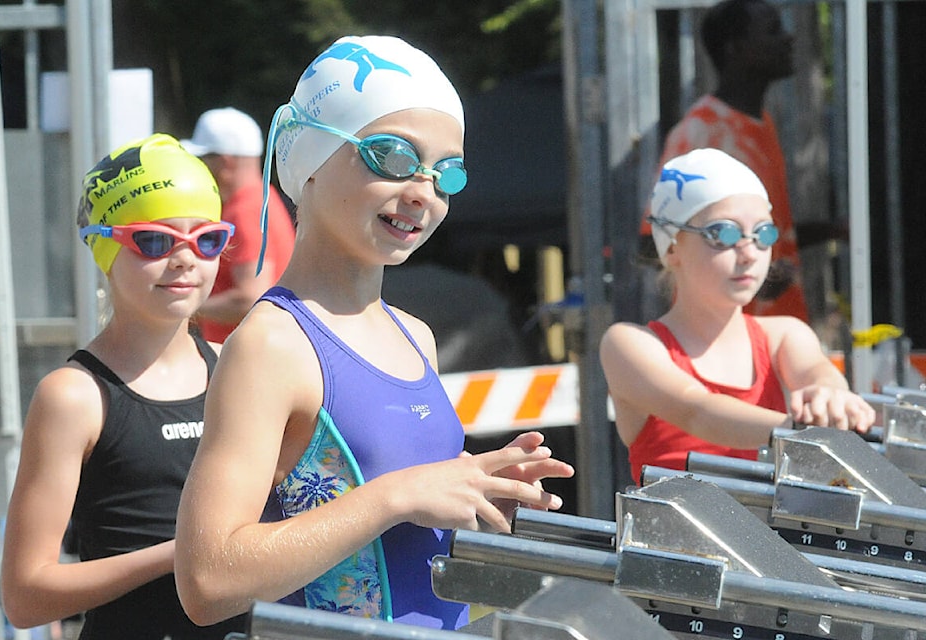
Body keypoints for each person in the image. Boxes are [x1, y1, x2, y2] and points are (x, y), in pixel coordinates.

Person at [174, 35, 574, 631]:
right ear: (307, 156)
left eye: (448, 173)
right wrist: (399, 495)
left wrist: (474, 486)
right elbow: (208, 580)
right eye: (392, 157)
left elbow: (395, 526)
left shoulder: (415, 336)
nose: (423, 192)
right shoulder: (272, 345)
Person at [0, 134, 246, 639]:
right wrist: (183, 555)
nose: (184, 259)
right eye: (155, 241)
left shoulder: (235, 372)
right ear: (106, 247)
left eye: (207, 239)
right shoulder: (74, 396)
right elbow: (25, 596)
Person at [602, 148, 875, 483]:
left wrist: (831, 395)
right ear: (673, 248)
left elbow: (816, 372)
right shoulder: (630, 344)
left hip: (769, 536)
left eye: (764, 234)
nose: (749, 253)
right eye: (723, 234)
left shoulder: (784, 335)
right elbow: (697, 411)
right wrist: (803, 435)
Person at [641, 0, 809, 322]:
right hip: (717, 339)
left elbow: (762, 230)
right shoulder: (701, 131)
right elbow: (653, 241)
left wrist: (837, 230)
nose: (789, 39)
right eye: (773, 30)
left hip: (770, 334)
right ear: (735, 48)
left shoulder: (763, 123)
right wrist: (749, 281)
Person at [181, 107, 296, 342]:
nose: (197, 168)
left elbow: (250, 297)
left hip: (242, 360)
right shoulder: (263, 199)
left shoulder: (244, 211)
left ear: (225, 162)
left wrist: (182, 307)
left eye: (202, 160)